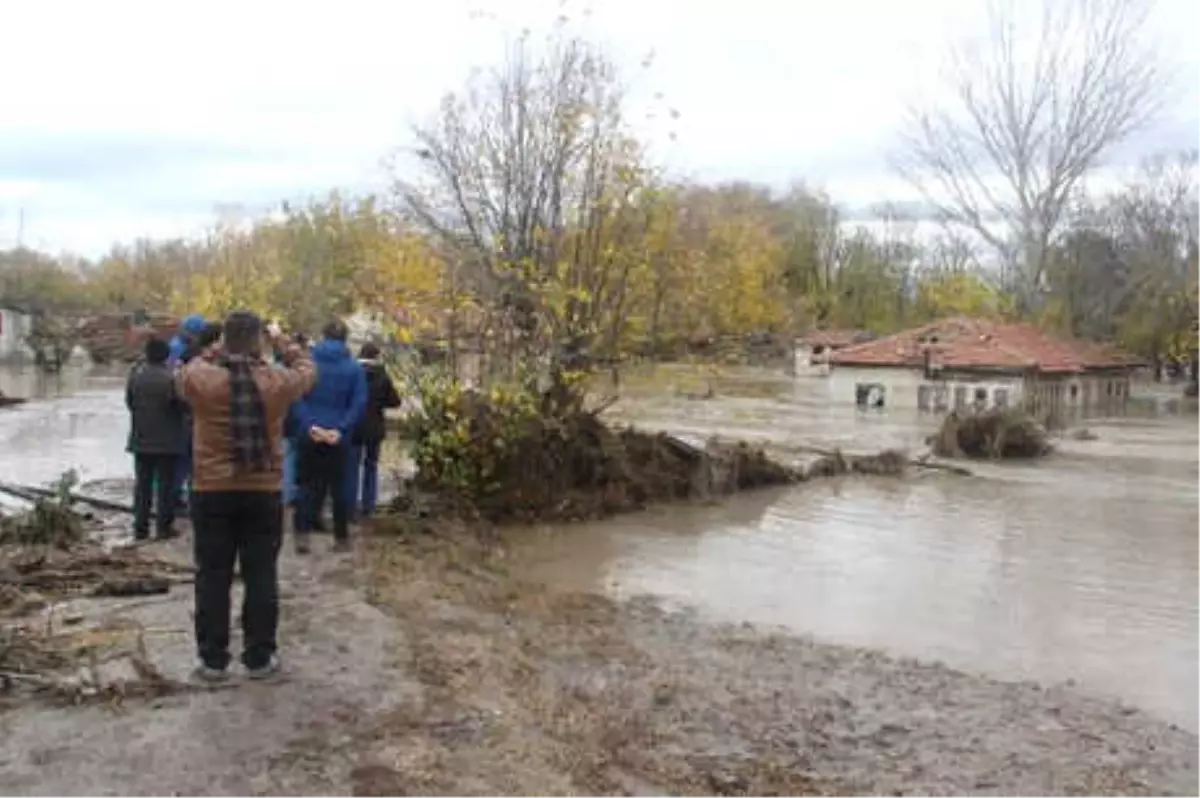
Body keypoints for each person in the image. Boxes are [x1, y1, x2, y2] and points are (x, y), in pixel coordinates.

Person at [176, 311, 315, 682]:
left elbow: (184, 372)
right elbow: (307, 370)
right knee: (261, 575)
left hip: (211, 489)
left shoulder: (200, 379)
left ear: (222, 340)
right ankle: (258, 657)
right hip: (262, 489)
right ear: (259, 341)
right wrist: (283, 339)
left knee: (212, 576)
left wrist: (214, 351)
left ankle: (212, 660)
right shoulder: (276, 382)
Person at [292, 320, 366, 554]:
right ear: (345, 338)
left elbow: (296, 397)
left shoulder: (308, 364)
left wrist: (309, 425)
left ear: (323, 336)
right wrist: (341, 429)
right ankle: (341, 537)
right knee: (340, 488)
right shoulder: (354, 368)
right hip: (339, 436)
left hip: (309, 433)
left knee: (306, 485)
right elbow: (359, 402)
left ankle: (302, 535)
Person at [125, 337, 187, 541]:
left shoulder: (135, 376)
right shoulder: (171, 379)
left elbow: (130, 402)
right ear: (167, 356)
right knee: (166, 486)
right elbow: (182, 407)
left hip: (141, 439)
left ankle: (140, 527)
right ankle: (163, 527)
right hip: (168, 441)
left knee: (142, 486)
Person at [345, 342, 402, 519]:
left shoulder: (352, 373)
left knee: (352, 467)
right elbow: (395, 401)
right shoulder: (383, 376)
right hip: (374, 427)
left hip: (354, 426)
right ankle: (368, 506)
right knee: (371, 466)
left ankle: (350, 506)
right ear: (376, 356)